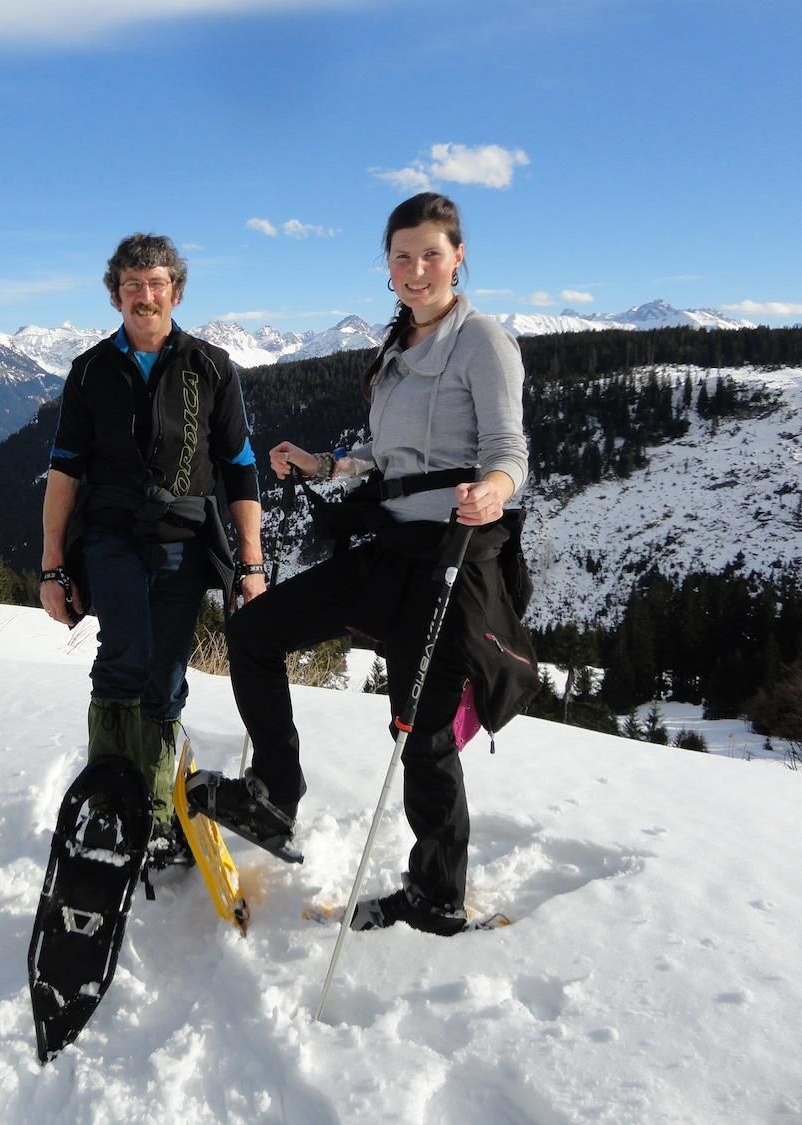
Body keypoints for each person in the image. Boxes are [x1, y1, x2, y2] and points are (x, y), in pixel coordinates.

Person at [187, 192, 535, 933]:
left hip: (453, 554)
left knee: (421, 727)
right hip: (390, 547)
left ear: (458, 256)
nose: (415, 270)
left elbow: (511, 451)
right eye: (402, 257)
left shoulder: (482, 342)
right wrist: (327, 464)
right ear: (388, 264)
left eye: (430, 255)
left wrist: (495, 490)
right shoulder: (396, 347)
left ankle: (436, 892)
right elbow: (388, 459)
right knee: (255, 632)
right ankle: (275, 793)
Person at [40, 232, 267, 862]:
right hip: (111, 532)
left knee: (166, 671)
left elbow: (240, 466)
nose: (145, 295)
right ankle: (110, 800)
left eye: (156, 282)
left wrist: (251, 560)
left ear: (176, 290)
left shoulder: (211, 367)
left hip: (185, 537)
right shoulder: (90, 370)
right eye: (132, 284)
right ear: (116, 295)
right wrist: (52, 566)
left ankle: (159, 812)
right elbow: (63, 471)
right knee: (126, 648)